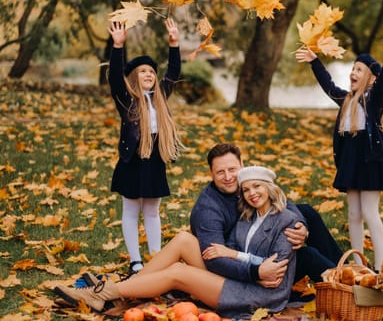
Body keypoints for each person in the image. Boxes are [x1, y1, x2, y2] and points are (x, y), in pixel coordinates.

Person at [54, 166, 299, 318]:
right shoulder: (247, 216)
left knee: (178, 272)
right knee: (184, 239)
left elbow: (272, 269)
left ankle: (103, 293)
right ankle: (127, 290)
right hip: (241, 276)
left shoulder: (289, 221)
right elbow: (237, 252)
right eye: (246, 190)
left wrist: (235, 257)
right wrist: (236, 257)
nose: (251, 193)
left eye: (257, 187)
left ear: (270, 188)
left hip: (262, 293)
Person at [295, 36, 383, 308]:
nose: (353, 73)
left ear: (370, 78)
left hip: (370, 161)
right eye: (352, 69)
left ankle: (378, 266)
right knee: (353, 214)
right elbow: (327, 85)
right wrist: (315, 62)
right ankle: (357, 264)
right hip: (351, 162)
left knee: (369, 212)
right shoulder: (346, 100)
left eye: (359, 70)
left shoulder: (373, 99)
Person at [190, 143, 343, 289]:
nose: (228, 177)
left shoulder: (246, 182)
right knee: (308, 256)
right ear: (211, 173)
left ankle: (349, 270)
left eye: (232, 169)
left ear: (242, 165)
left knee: (306, 212)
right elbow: (216, 262)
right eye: (220, 172)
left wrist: (301, 226)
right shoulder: (208, 210)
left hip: (258, 242)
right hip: (239, 266)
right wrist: (256, 275)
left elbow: (279, 200)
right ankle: (341, 286)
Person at [107, 19, 184, 274]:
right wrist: (118, 46)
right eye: (142, 71)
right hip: (133, 159)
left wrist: (174, 44)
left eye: (151, 71)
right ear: (133, 77)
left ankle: (156, 256)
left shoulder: (160, 95)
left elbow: (173, 73)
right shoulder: (126, 99)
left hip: (154, 158)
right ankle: (135, 261)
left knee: (152, 210)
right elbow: (114, 78)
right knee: (131, 209)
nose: (149, 75)